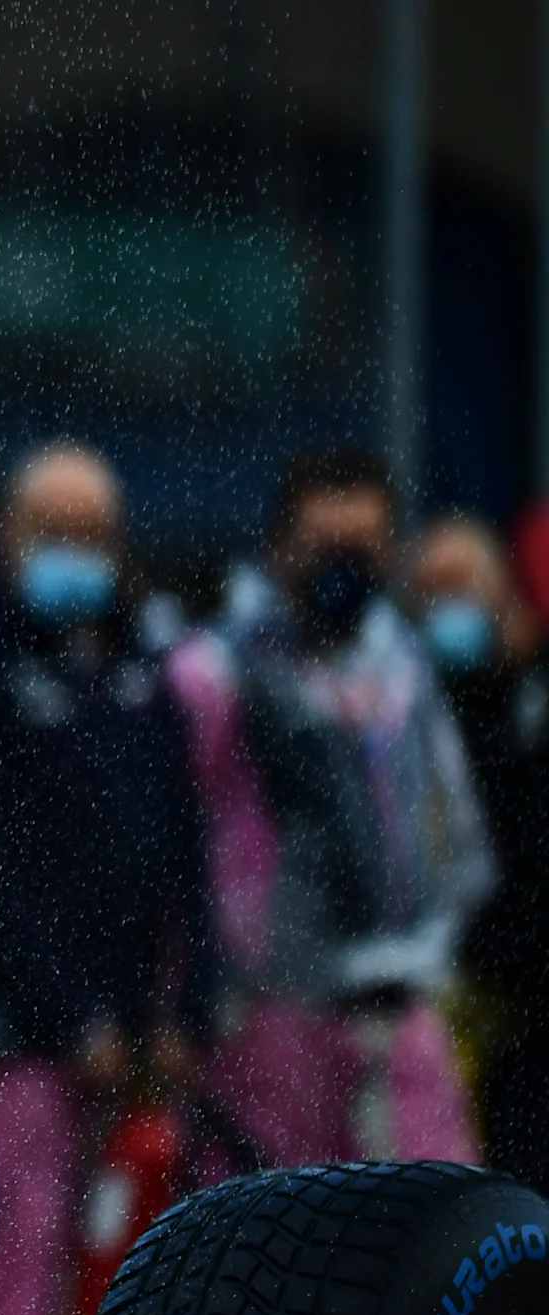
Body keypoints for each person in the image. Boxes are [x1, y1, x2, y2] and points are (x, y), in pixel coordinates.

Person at [0, 444, 213, 1315]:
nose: (71, 552)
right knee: (10, 1259)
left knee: (132, 1269)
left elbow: (185, 857)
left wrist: (180, 1012)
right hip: (11, 1033)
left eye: (90, 535)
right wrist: (73, 1015)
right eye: (50, 532)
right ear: (7, 534)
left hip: (136, 1043)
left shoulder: (148, 674)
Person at [170, 448, 493, 1165]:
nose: (344, 567)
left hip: (401, 1007)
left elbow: (450, 822)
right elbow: (173, 846)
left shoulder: (404, 668)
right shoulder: (215, 673)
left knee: (435, 1234)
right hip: (274, 1019)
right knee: (285, 1247)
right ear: (280, 547)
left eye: (364, 547)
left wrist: (442, 935)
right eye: (323, 547)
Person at [418, 511, 549, 1185]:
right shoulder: (409, 709)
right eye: (431, 592)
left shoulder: (527, 712)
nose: (449, 610)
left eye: (462, 588)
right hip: (442, 1008)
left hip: (523, 1016)